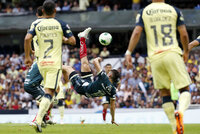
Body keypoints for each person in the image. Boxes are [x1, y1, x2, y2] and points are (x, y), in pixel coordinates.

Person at [124, 0, 191, 134]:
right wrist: (186, 51)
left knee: (164, 93)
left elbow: (137, 32)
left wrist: (129, 52)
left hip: (155, 57)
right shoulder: (174, 10)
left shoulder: (144, 12)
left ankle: (174, 128)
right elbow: (183, 34)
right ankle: (180, 112)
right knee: (184, 89)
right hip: (172, 52)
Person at [24, 0, 76, 132]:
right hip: (54, 64)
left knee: (46, 92)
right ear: (55, 10)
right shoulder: (60, 24)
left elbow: (27, 39)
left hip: (41, 62)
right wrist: (63, 39)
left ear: (42, 11)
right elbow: (72, 41)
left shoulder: (37, 24)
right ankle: (39, 119)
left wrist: (27, 57)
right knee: (49, 93)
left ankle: (43, 117)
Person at [62, 27, 120, 126]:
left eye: (109, 72)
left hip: (82, 88)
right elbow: (113, 106)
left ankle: (49, 65)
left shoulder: (105, 79)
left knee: (68, 68)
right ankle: (82, 39)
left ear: (109, 75)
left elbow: (94, 61)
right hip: (89, 85)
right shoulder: (113, 89)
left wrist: (98, 59)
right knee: (85, 63)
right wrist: (113, 119)